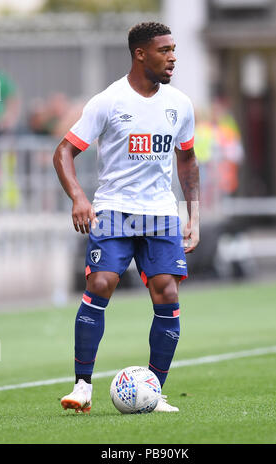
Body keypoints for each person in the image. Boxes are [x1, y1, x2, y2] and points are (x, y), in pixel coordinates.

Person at [53, 22, 200, 414]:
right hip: (115, 210)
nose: (172, 57)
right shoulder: (109, 101)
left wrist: (194, 216)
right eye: (164, 50)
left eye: (174, 50)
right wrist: (79, 198)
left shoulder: (180, 104)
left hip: (160, 215)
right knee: (101, 283)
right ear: (140, 54)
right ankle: (83, 386)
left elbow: (186, 159)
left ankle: (154, 392)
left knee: (167, 292)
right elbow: (63, 151)